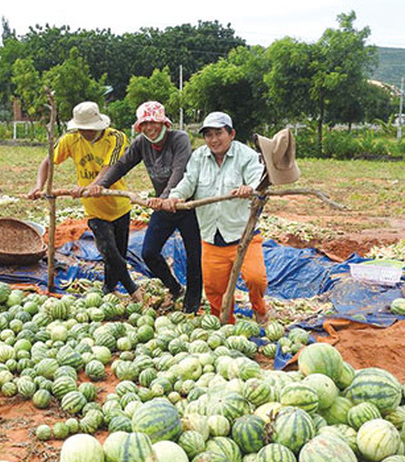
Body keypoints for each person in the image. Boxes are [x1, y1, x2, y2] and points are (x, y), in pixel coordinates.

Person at [88, 101, 202, 313]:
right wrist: (100, 185)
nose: (150, 128)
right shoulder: (142, 143)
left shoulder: (180, 139)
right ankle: (175, 288)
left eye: (154, 123)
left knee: (193, 256)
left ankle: (191, 306)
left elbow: (180, 170)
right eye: (145, 124)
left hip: (188, 207)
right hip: (163, 205)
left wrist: (168, 197)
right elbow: (122, 165)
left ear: (163, 123)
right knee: (149, 252)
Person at [27, 101, 142, 301]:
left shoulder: (116, 138)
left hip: (119, 207)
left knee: (118, 255)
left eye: (89, 129)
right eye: (82, 129)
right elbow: (47, 162)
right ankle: (133, 290)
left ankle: (109, 289)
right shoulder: (71, 138)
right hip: (94, 209)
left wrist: (94, 185)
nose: (85, 132)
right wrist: (39, 186)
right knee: (108, 250)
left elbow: (110, 168)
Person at [161, 112, 268, 323]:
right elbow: (188, 182)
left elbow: (259, 180)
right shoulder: (199, 157)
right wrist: (175, 196)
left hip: (243, 235)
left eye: (218, 133)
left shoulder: (245, 155)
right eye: (208, 135)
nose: (213, 140)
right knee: (213, 288)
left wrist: (250, 188)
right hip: (211, 235)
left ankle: (260, 310)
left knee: (256, 279)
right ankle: (224, 322)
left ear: (231, 134)